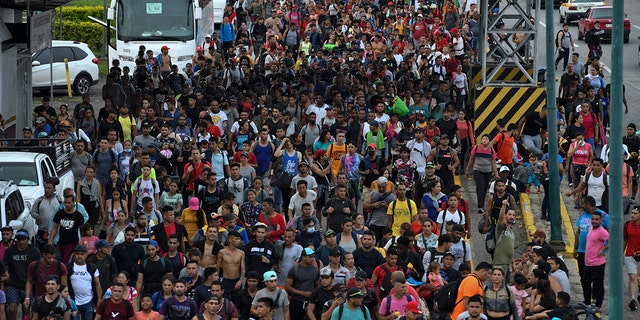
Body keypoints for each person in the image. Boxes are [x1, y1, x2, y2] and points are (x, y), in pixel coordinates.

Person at [4, 228, 41, 320]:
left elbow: (38, 269)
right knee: (12, 309)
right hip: (13, 284)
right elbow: (6, 268)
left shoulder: (34, 251)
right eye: (19, 239)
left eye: (23, 239)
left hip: (28, 285)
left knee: (26, 309)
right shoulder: (10, 251)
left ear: (27, 240)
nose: (21, 242)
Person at [67, 244, 102, 320]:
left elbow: (97, 284)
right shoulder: (69, 267)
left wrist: (99, 299)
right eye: (77, 254)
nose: (79, 256)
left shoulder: (92, 267)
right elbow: (65, 284)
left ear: (86, 255)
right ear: (74, 254)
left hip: (88, 301)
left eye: (82, 254)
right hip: (73, 301)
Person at [583, 210, 608, 310]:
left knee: (598, 285)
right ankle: (587, 301)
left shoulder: (602, 232)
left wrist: (602, 249)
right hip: (588, 262)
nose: (594, 221)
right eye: (593, 219)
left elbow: (612, 241)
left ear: (601, 220)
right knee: (586, 282)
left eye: (597, 219)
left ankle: (597, 305)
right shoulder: (590, 229)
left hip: (597, 263)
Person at [624, 206, 640, 310]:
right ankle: (632, 299)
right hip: (630, 255)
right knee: (633, 277)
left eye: (635, 213)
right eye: (632, 213)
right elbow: (625, 239)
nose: (633, 215)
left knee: (638, 279)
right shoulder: (627, 225)